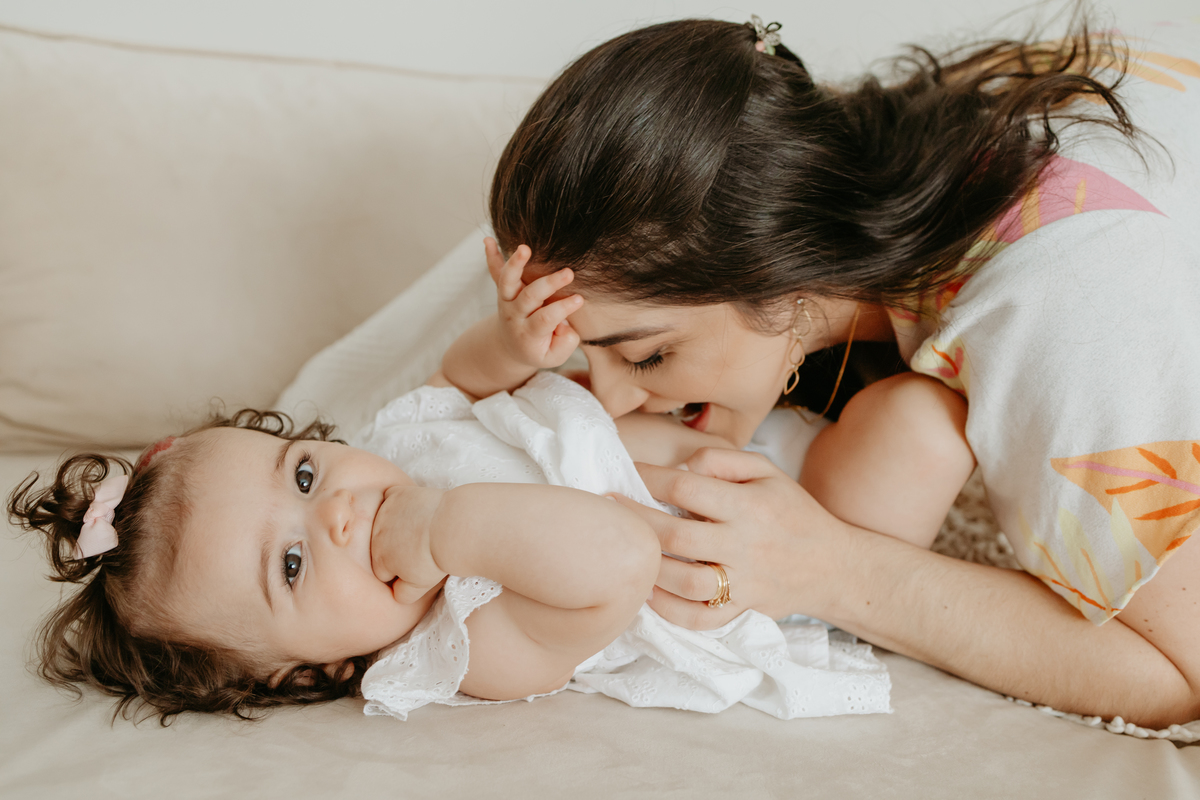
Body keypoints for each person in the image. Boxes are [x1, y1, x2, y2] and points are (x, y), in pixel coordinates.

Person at [474, 10, 1200, 728]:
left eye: (648, 356)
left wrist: (830, 569)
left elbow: (1180, 674)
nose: (606, 395)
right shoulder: (808, 160)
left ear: (781, 270)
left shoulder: (1060, 303)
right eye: (585, 350)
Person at [8, 342, 897, 723]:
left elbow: (455, 385)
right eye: (292, 562)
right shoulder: (464, 645)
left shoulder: (396, 445)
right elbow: (618, 556)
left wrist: (508, 345)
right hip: (800, 554)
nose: (339, 514)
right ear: (317, 671)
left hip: (737, 431)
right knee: (913, 422)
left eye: (306, 476)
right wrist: (443, 529)